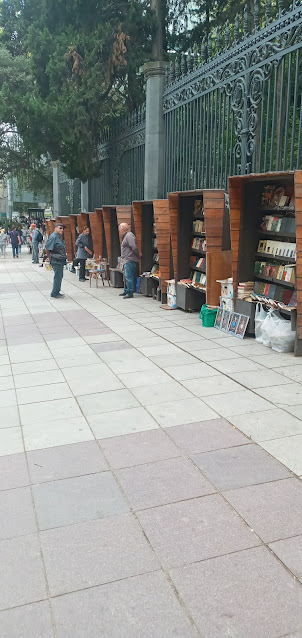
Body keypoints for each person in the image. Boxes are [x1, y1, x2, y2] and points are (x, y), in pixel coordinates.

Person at [45, 223, 67, 298]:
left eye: (63, 228)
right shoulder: (53, 236)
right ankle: (54, 293)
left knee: (59, 276)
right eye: (60, 228)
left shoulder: (58, 237)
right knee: (57, 276)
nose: (62, 230)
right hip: (56, 259)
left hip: (59, 259)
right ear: (55, 228)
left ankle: (57, 291)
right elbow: (48, 248)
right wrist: (49, 257)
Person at [118, 223, 139, 299]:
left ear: (123, 229)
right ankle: (127, 290)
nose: (119, 230)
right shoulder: (126, 236)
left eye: (120, 229)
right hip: (127, 259)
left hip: (130, 259)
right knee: (126, 276)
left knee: (129, 276)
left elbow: (133, 246)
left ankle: (130, 292)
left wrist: (137, 254)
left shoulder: (129, 236)